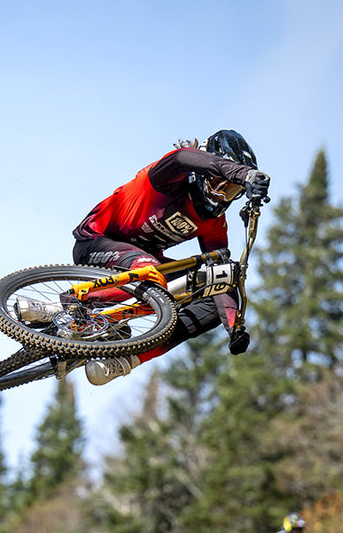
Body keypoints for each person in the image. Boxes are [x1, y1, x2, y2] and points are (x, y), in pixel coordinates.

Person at [66, 129, 271, 385]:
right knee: (150, 270)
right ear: (208, 168)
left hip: (140, 264)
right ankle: (72, 303)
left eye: (231, 191)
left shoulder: (214, 223)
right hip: (95, 242)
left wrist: (234, 327)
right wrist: (242, 174)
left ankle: (126, 358)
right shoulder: (169, 176)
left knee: (209, 291)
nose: (221, 195)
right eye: (220, 182)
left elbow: (222, 277)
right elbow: (183, 157)